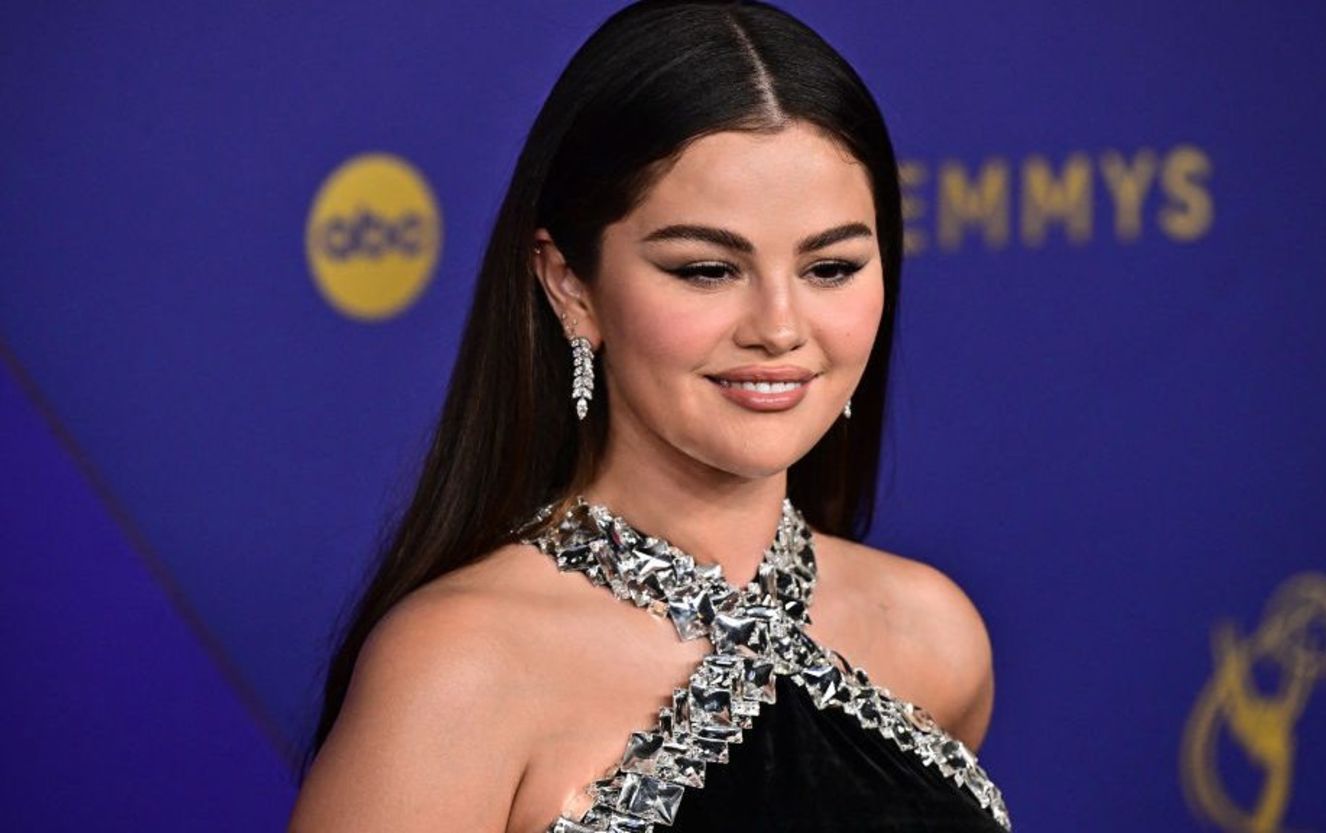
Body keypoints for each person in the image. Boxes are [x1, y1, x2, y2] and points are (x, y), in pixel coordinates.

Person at [290, 2, 1011, 831]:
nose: (780, 327)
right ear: (569, 283)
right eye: (707, 269)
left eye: (831, 265)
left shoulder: (934, 636)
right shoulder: (460, 670)